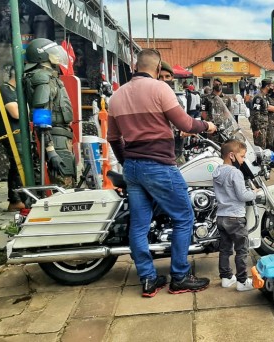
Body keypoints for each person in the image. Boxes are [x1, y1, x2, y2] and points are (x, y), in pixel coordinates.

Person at [107, 49, 217, 297]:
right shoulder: (160, 89)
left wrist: (127, 162)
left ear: (136, 66)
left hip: (134, 167)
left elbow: (113, 138)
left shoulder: (117, 96)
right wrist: (207, 126)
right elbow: (186, 124)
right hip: (158, 165)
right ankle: (179, 276)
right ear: (157, 70)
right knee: (184, 217)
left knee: (139, 226)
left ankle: (148, 279)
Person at [23, 38, 76, 187]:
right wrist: (51, 150)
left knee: (66, 181)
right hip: (55, 138)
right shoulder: (42, 77)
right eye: (53, 52)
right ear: (42, 56)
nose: (58, 56)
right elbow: (41, 114)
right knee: (62, 185)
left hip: (60, 135)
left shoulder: (49, 77)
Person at [213, 140, 257, 292]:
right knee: (242, 250)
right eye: (242, 157)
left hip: (221, 216)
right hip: (235, 218)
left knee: (225, 249)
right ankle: (242, 281)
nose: (244, 160)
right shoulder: (235, 172)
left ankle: (226, 278)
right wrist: (254, 193)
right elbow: (242, 195)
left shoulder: (217, 171)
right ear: (232, 155)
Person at [0, 65, 26, 211]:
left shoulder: (19, 92)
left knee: (20, 166)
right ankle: (15, 200)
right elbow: (16, 113)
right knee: (17, 166)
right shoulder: (5, 89)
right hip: (12, 134)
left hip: (22, 135)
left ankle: (19, 198)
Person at [250, 79, 274, 149]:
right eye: (271, 86)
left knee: (265, 147)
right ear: (267, 86)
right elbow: (256, 113)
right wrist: (257, 128)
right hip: (260, 127)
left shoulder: (264, 96)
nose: (272, 88)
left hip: (264, 126)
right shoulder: (258, 97)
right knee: (260, 148)